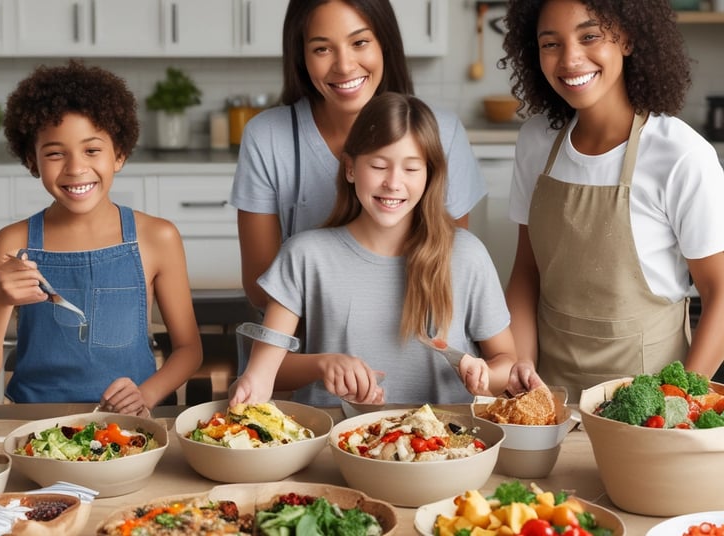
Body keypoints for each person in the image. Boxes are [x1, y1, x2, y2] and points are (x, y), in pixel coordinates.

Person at [229, 92, 516, 407]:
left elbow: (508, 363)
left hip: (446, 448)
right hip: (336, 444)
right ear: (350, 168)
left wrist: (484, 374)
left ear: (430, 175)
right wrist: (323, 364)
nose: (393, 183)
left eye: (411, 169)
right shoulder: (304, 256)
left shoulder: (467, 256)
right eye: (379, 165)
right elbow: (266, 372)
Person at [500, 0, 724, 401]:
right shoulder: (535, 142)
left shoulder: (681, 156)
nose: (570, 59)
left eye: (589, 36)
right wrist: (521, 367)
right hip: (551, 398)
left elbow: (721, 294)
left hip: (650, 406)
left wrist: (678, 402)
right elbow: (526, 271)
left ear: (627, 38)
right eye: (551, 44)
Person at [0, 61, 202, 414]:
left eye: (92, 150)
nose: (75, 168)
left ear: (119, 154)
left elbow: (189, 350)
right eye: (55, 153)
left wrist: (145, 395)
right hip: (34, 422)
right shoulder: (12, 243)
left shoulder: (158, 237)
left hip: (131, 425)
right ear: (32, 160)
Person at [230, 0, 486, 310]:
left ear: (384, 44)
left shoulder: (442, 132)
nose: (345, 65)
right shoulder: (267, 137)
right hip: (303, 347)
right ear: (301, 57)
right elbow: (262, 289)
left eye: (360, 42)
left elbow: (451, 270)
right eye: (322, 49)